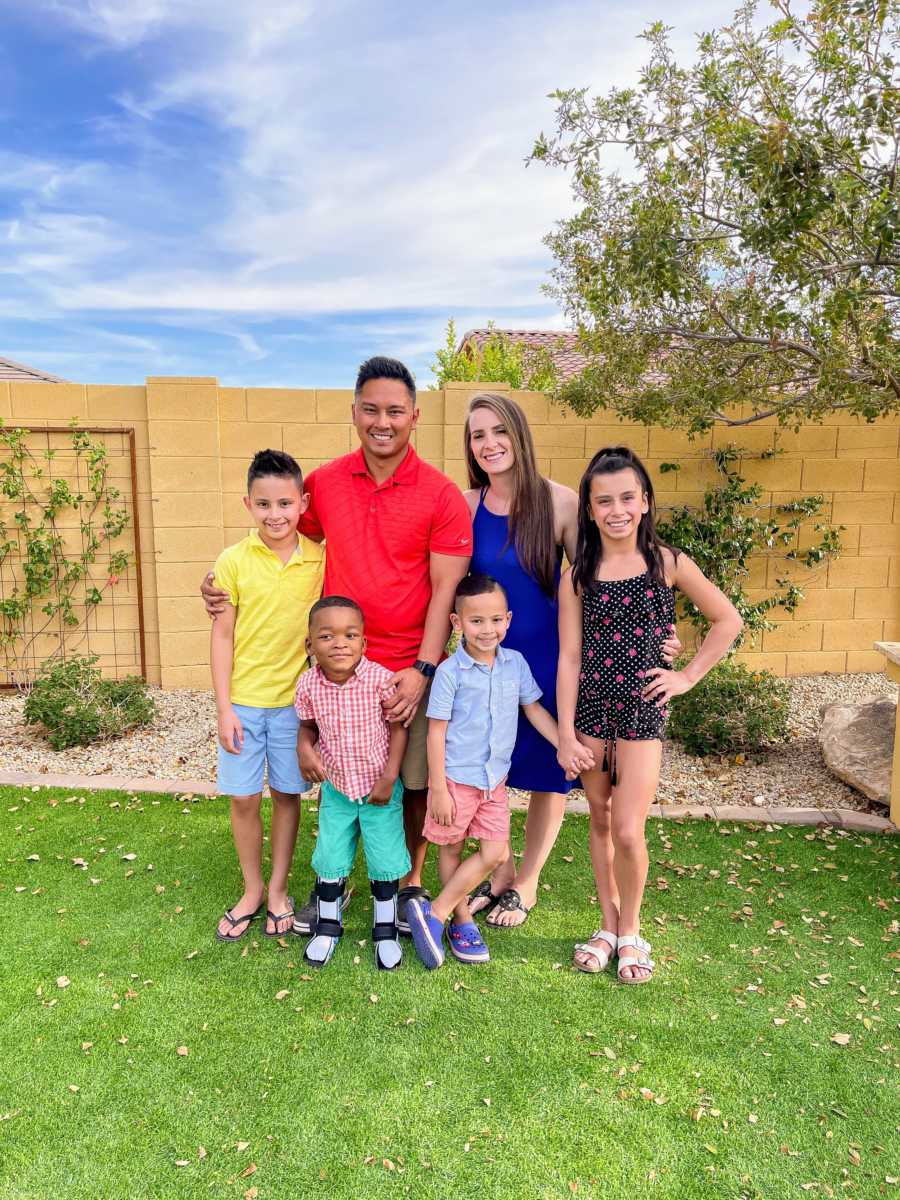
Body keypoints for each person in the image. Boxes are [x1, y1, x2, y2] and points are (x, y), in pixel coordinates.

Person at [202, 357, 472, 934]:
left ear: (414, 417)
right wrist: (218, 586)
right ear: (354, 413)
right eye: (370, 409)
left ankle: (405, 884)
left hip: (405, 667)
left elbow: (446, 588)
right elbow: (276, 540)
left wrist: (422, 668)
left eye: (395, 410)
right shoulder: (322, 485)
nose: (383, 421)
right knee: (340, 772)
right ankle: (337, 881)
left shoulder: (442, 495)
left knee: (412, 782)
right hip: (336, 672)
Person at [462, 394, 680, 929]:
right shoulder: (463, 505)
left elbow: (607, 578)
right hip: (485, 661)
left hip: (549, 658)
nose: (489, 444)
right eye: (477, 436)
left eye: (499, 432)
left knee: (546, 773)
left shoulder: (560, 503)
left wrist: (659, 638)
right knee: (485, 770)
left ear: (519, 435)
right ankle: (499, 870)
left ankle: (527, 879)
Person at [557, 446, 742, 983]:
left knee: (630, 830)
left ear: (644, 501)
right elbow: (569, 657)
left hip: (642, 712)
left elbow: (726, 620)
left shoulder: (667, 563)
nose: (616, 509)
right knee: (598, 818)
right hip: (591, 708)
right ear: (589, 509)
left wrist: (686, 677)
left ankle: (633, 930)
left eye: (627, 497)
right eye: (603, 500)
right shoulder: (579, 573)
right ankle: (607, 926)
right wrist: (566, 732)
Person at [406, 574, 593, 970]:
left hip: (494, 782)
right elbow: (435, 734)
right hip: (456, 780)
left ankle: (435, 912)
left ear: (507, 620)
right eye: (476, 621)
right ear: (457, 623)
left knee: (493, 852)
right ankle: (461, 920)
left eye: (494, 620)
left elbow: (535, 710)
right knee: (452, 848)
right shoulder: (449, 674)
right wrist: (437, 787)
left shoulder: (515, 665)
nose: (486, 630)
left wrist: (564, 743)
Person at [210, 449, 325, 942]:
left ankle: (279, 889)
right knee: (242, 799)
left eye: (284, 503)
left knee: (286, 796)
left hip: (293, 704)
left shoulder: (320, 558)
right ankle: (252, 889)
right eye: (263, 505)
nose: (275, 514)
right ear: (247, 504)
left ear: (302, 502)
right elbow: (221, 636)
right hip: (243, 703)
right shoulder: (232, 561)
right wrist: (223, 708)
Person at [294, 596, 411, 970]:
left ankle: (385, 929)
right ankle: (327, 928)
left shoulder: (379, 679)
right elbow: (308, 725)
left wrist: (390, 777)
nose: (339, 643)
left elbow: (397, 728)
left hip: (380, 790)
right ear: (310, 645)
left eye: (350, 635)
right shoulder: (309, 684)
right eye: (326, 636)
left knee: (385, 861)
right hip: (338, 789)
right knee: (330, 860)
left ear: (364, 642)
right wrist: (303, 748)